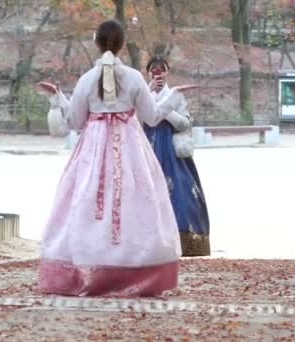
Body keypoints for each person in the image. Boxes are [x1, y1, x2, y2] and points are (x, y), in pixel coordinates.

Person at [38, 20, 195, 297]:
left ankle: (86, 269)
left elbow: (75, 122)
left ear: (97, 43)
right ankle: (135, 270)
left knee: (89, 201)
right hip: (130, 147)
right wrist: (174, 97)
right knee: (133, 201)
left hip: (93, 149)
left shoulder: (87, 79)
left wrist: (59, 99)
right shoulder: (134, 77)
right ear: (122, 44)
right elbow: (153, 117)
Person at [144, 56, 211, 257]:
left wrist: (164, 110)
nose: (159, 74)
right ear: (148, 74)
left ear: (167, 72)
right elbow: (135, 120)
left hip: (171, 148)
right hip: (147, 146)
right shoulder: (141, 95)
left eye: (162, 70)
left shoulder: (177, 95)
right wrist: (150, 99)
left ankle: (184, 239)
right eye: (154, 71)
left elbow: (184, 124)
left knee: (180, 191)